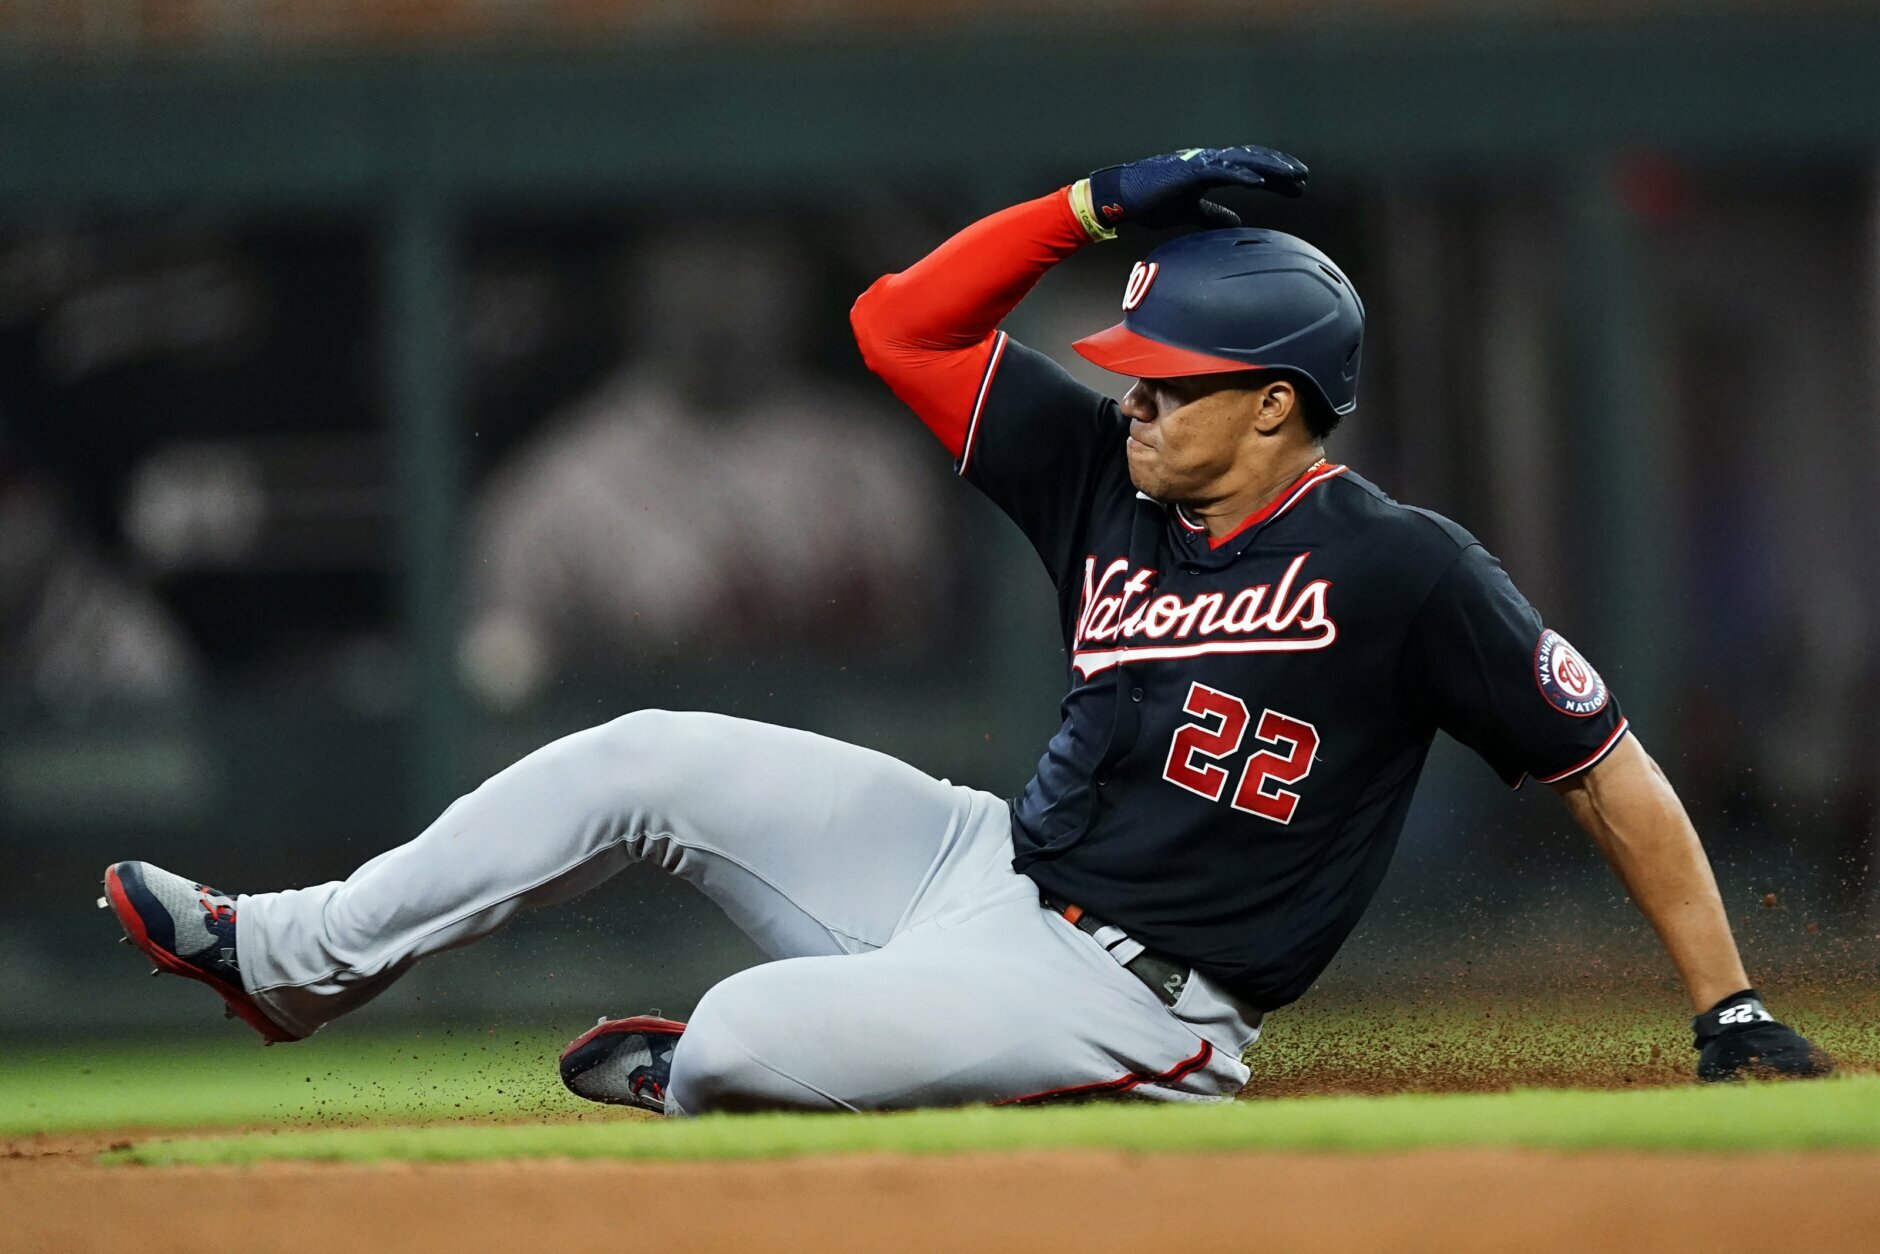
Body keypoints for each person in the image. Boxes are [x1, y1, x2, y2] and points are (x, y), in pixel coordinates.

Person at [100, 146, 1831, 1113]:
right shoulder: (1107, 477)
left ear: (1289, 407)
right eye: (1132, 372)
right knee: (640, 757)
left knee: (750, 1033)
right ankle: (292, 953)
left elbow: (1607, 774)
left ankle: (727, 1071)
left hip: (1139, 997)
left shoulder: (1411, 571)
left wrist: (1731, 1005)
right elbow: (897, 325)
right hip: (980, 866)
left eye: (1172, 381)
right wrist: (1090, 210)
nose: (1129, 397)